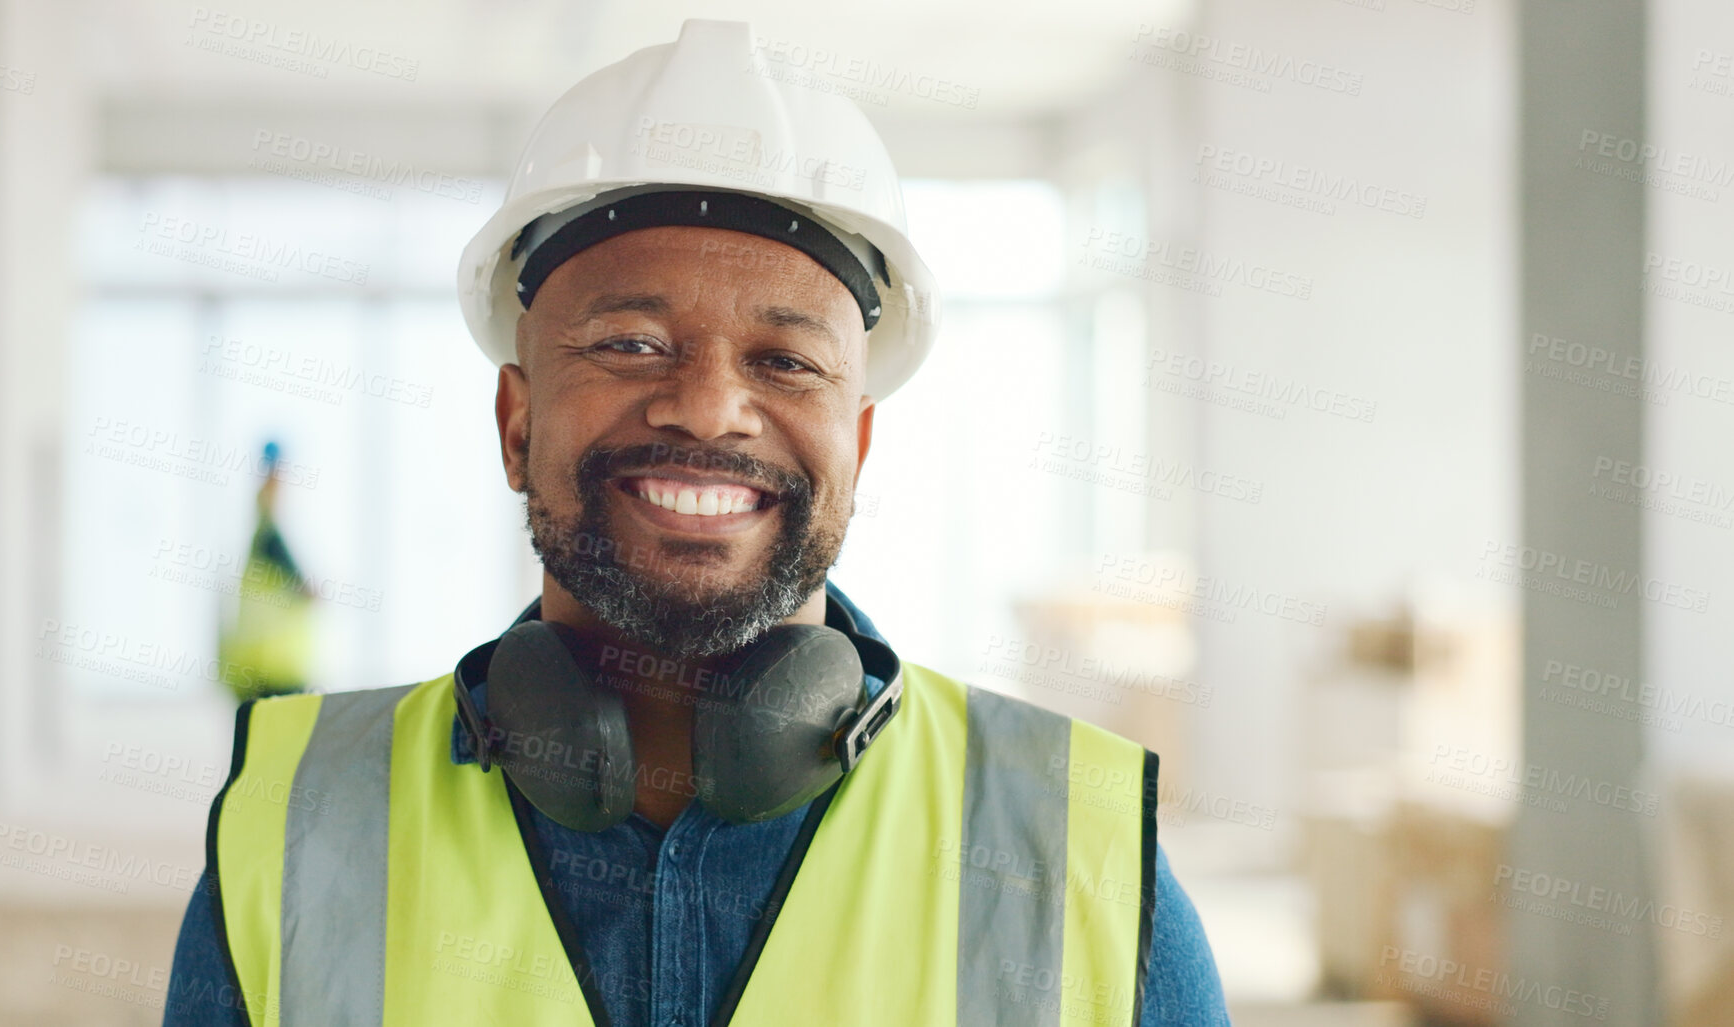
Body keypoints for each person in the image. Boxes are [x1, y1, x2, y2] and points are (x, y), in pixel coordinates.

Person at [164, 19, 1228, 1025]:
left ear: (856, 449)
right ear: (516, 420)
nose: (710, 406)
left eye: (785, 361)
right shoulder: (297, 830)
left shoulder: (1070, 849)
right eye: (630, 342)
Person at [215, 441, 313, 702]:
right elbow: (307, 592)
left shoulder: (262, 535)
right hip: (273, 668)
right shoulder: (269, 538)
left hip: (258, 666)